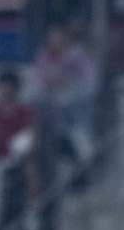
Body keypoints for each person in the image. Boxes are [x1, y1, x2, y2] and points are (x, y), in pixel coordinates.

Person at [26, 20, 99, 163]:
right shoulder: (42, 57)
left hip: (74, 111)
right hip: (48, 113)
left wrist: (68, 84)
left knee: (75, 125)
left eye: (58, 37)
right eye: (51, 37)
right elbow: (34, 84)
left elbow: (91, 85)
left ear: (66, 38)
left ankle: (83, 151)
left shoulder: (79, 56)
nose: (55, 41)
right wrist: (48, 84)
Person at [0, 70, 43, 207]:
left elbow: (32, 138)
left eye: (9, 89)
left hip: (19, 158)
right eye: (2, 88)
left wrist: (17, 153)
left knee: (30, 167)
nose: (5, 92)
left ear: (16, 90)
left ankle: (33, 207)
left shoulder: (25, 112)